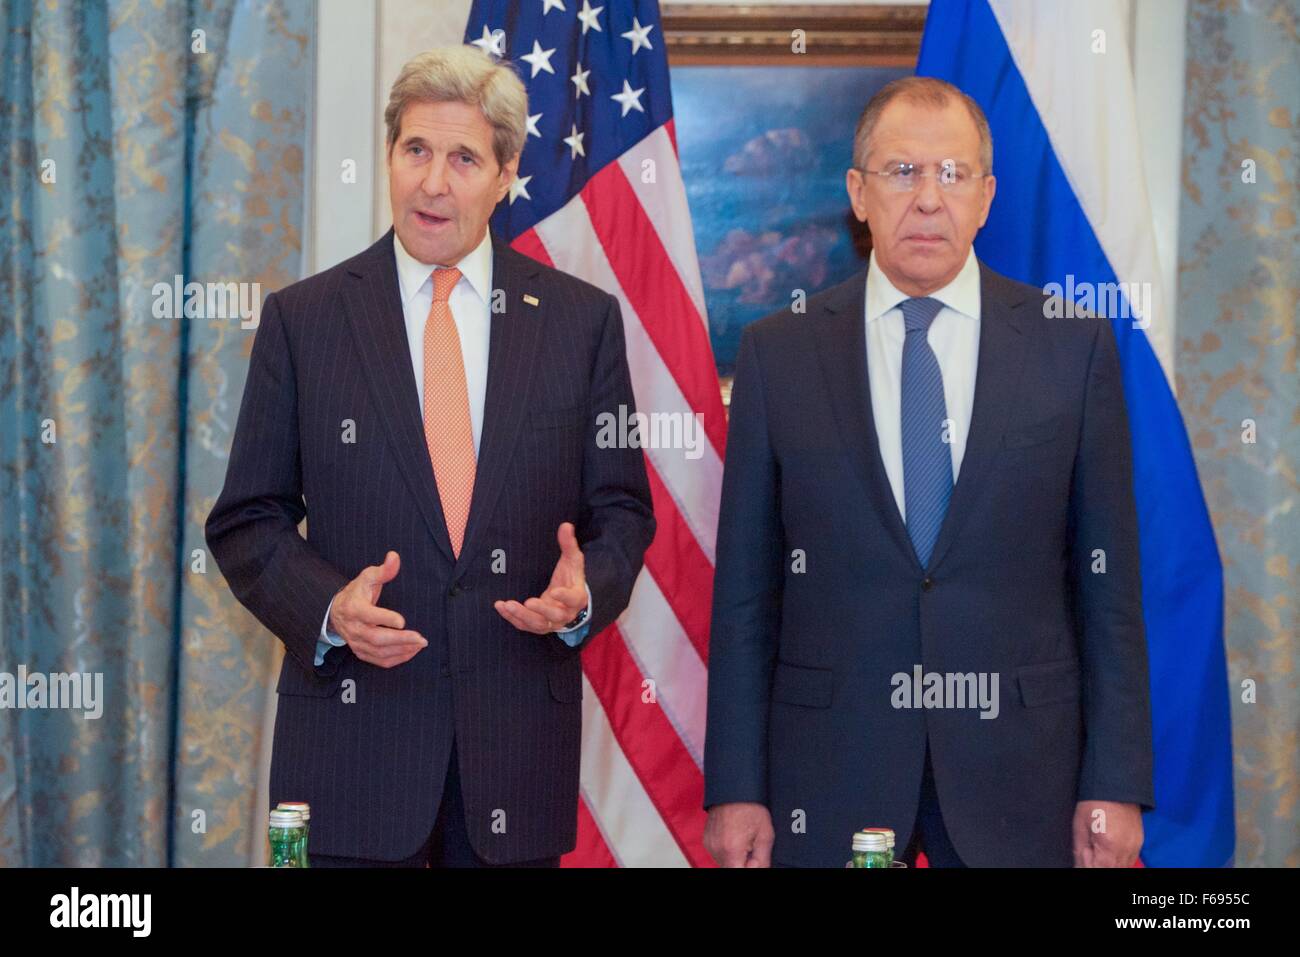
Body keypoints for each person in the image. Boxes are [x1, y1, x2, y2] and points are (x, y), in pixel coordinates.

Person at [206, 45, 654, 867]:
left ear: (506, 172)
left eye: (463, 158)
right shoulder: (305, 321)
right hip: (351, 761)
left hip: (515, 765)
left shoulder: (580, 323)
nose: (433, 182)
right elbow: (246, 520)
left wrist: (584, 588)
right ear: (389, 155)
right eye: (415, 150)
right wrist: (331, 606)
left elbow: (622, 511)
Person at [702, 76, 1153, 868]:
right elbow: (746, 592)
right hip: (828, 769)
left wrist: (1114, 780)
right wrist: (737, 786)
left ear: (985, 197)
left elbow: (1108, 590)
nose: (928, 198)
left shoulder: (1071, 348)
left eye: (952, 174)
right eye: (902, 171)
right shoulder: (782, 351)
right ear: (858, 193)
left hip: (1023, 773)